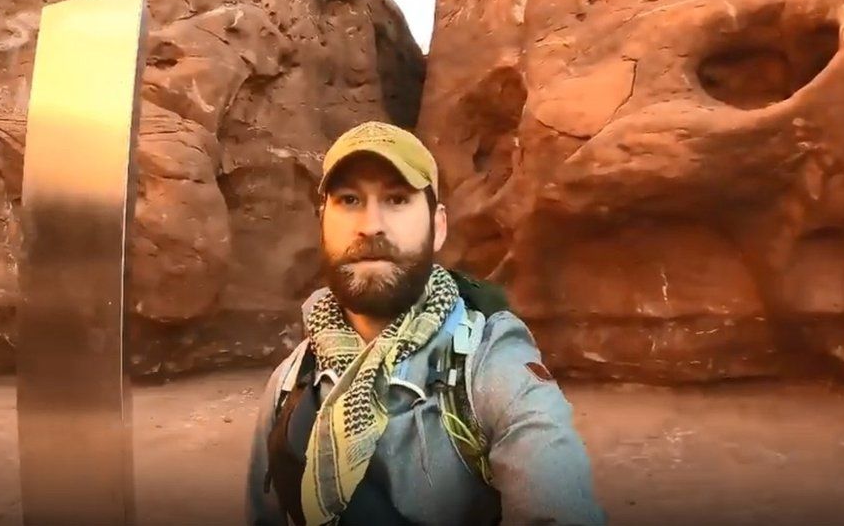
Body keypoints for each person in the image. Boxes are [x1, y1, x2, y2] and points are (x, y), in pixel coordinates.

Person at [244, 121, 605, 526]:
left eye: (397, 199)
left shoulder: (489, 366)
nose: (371, 225)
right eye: (349, 200)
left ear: (439, 227)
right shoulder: (290, 383)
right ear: (322, 223)